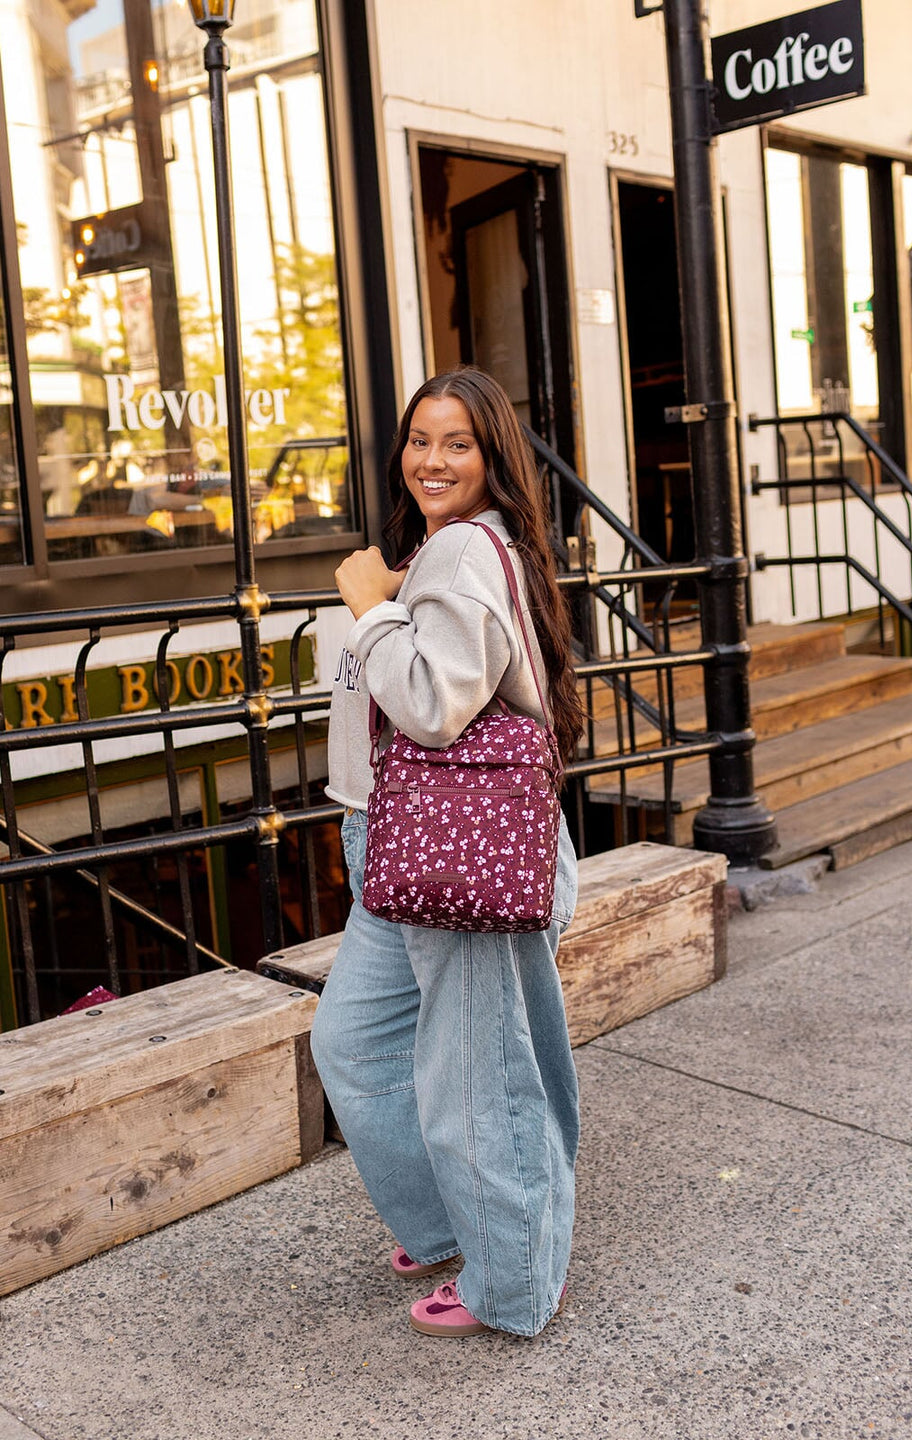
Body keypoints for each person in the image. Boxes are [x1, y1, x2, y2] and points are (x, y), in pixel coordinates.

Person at [309, 365, 583, 1339]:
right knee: (353, 1041)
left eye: (457, 443)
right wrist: (383, 600)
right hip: (402, 843)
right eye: (420, 440)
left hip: (461, 848)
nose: (432, 458)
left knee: (480, 1076)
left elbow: (432, 705)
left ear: (492, 457)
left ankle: (512, 1283)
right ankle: (442, 1222)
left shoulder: (462, 552)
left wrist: (367, 606)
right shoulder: (432, 553)